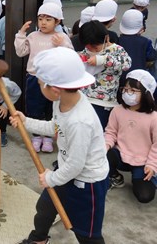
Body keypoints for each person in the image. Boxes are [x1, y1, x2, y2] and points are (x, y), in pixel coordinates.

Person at [10, 47, 109, 244]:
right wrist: (26, 122)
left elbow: (76, 164)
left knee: (86, 233)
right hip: (65, 170)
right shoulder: (62, 101)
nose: (39, 87)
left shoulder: (80, 121)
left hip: (86, 183)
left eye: (39, 84)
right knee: (45, 208)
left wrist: (52, 179)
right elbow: (56, 128)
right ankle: (38, 239)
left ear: (54, 89)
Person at [14, 2, 72, 152]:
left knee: (50, 108)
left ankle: (48, 138)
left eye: (48, 19)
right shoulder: (33, 36)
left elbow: (70, 56)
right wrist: (21, 35)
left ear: (57, 21)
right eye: (40, 19)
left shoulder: (61, 37)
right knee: (34, 107)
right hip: (34, 77)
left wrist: (62, 45)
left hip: (54, 80)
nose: (43, 23)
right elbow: (21, 52)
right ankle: (36, 136)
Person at [105, 70, 157, 203]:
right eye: (125, 89)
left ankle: (146, 176)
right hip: (121, 155)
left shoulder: (153, 117)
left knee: (145, 196)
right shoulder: (117, 111)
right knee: (105, 154)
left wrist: (152, 165)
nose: (127, 93)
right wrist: (106, 145)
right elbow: (111, 132)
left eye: (133, 90)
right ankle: (115, 176)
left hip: (142, 161)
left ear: (146, 93)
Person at [79, 21, 131, 130]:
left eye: (95, 48)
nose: (92, 50)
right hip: (83, 97)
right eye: (88, 47)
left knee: (98, 130)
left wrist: (103, 59)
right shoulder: (87, 50)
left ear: (106, 38)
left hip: (104, 102)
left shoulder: (117, 50)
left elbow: (127, 63)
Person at [118, 9, 157, 84]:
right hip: (138, 78)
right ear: (141, 27)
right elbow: (151, 57)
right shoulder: (145, 41)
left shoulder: (117, 40)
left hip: (120, 77)